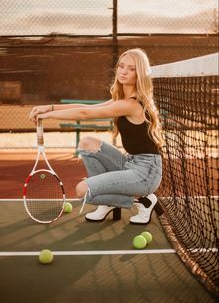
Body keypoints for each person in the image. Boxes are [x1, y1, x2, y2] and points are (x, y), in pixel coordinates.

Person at [29, 48, 164, 224]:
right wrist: (50, 108)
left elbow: (85, 113)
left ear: (139, 73)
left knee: (82, 190)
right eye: (121, 66)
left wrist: (48, 116)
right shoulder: (122, 99)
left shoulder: (131, 104)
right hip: (131, 162)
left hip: (146, 173)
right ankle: (108, 204)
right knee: (87, 143)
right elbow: (88, 107)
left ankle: (143, 201)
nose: (123, 71)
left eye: (131, 68)